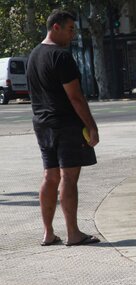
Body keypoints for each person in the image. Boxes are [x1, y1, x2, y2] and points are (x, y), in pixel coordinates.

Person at [26, 9, 100, 246]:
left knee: (50, 176)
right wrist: (92, 126)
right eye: (70, 29)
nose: (73, 35)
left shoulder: (33, 56)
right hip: (66, 124)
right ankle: (73, 233)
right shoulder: (61, 56)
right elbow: (75, 97)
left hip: (42, 124)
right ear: (55, 27)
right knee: (69, 176)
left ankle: (48, 233)